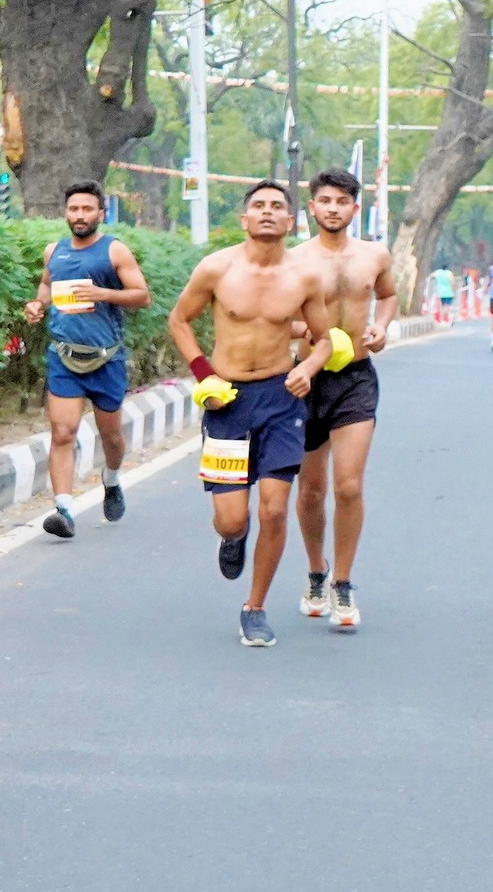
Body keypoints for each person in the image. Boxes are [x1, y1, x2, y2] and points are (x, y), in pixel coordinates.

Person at [167, 180, 334, 648]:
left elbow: (324, 339)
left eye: (277, 206)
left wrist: (308, 369)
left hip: (281, 400)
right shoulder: (216, 268)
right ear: (244, 219)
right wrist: (204, 376)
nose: (267, 212)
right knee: (232, 520)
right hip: (228, 401)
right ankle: (233, 537)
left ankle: (255, 608)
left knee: (275, 510)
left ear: (290, 221)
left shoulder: (304, 277)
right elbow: (179, 320)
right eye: (258, 205)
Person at [290, 169, 397, 632]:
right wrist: (302, 330)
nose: (333, 208)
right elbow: (274, 314)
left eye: (342, 201)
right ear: (312, 207)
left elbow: (388, 296)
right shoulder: (293, 260)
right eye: (325, 200)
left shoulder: (375, 255)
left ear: (355, 208)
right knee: (311, 490)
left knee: (349, 486)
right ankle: (317, 570)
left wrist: (381, 327)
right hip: (306, 379)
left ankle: (344, 582)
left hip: (355, 377)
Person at [23, 180, 152, 539]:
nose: (79, 216)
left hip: (106, 358)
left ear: (101, 213)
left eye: (87, 209)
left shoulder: (115, 251)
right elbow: (47, 285)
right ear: (65, 213)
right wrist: (38, 304)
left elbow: (142, 296)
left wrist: (102, 293)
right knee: (63, 432)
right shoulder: (55, 251)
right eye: (74, 209)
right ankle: (63, 509)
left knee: (111, 436)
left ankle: (111, 478)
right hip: (64, 356)